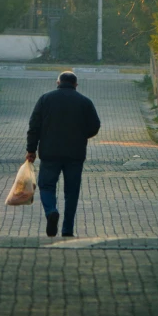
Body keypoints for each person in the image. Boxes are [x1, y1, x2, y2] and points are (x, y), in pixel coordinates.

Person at [26, 70, 101, 237]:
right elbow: (95, 126)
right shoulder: (84, 102)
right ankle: (67, 229)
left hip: (49, 153)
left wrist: (31, 150)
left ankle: (51, 211)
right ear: (75, 85)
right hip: (75, 154)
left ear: (57, 83)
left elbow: (34, 126)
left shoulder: (45, 99)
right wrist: (81, 135)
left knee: (46, 186)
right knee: (72, 192)